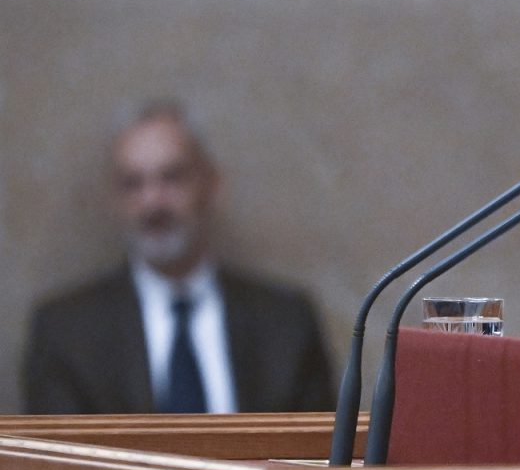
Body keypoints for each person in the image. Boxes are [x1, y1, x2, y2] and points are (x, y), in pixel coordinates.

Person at [23, 100, 336, 415]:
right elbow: (56, 446)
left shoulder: (286, 324)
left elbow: (320, 442)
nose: (152, 202)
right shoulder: (67, 333)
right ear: (114, 199)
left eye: (172, 177)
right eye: (133, 184)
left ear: (211, 183)